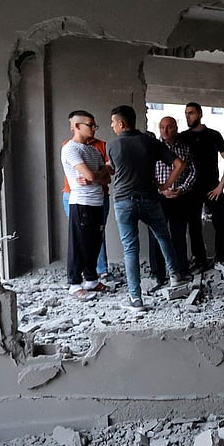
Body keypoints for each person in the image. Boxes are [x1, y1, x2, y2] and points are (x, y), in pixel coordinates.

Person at [106, 105, 189, 312]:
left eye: (113, 122)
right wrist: (165, 185)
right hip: (150, 199)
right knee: (163, 237)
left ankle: (136, 299)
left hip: (124, 201)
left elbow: (113, 170)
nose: (112, 126)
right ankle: (175, 277)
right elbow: (180, 164)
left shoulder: (113, 145)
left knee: (130, 249)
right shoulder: (150, 142)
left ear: (122, 123)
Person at [61, 111, 111, 301]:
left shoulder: (93, 150)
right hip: (81, 203)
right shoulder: (70, 148)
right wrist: (96, 175)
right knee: (79, 244)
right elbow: (91, 175)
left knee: (95, 242)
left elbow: (106, 177)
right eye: (90, 125)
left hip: (97, 201)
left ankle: (91, 279)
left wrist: (95, 176)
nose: (94, 128)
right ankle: (74, 284)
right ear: (77, 126)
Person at [177, 102, 224, 273]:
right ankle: (200, 260)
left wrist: (221, 186)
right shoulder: (182, 137)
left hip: (212, 187)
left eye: (191, 113)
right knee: (194, 226)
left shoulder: (213, 135)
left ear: (200, 114)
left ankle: (221, 259)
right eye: (186, 113)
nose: (188, 116)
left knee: (221, 224)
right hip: (191, 188)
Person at [147, 116, 198, 288]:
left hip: (179, 197)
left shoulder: (184, 149)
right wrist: (160, 189)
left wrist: (182, 189)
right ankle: (157, 274)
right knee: (156, 235)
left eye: (169, 127)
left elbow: (192, 172)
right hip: (158, 198)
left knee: (178, 234)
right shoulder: (152, 149)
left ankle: (180, 270)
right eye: (162, 127)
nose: (165, 131)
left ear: (176, 128)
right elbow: (146, 173)